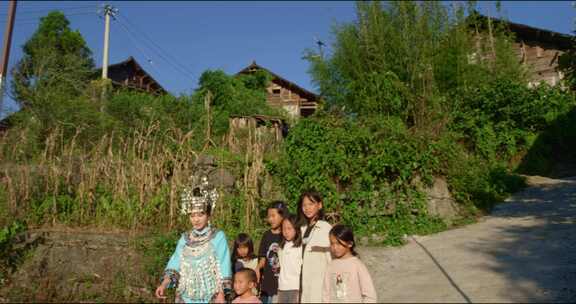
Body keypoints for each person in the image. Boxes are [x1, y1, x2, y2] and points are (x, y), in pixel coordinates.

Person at [155, 176, 231, 303]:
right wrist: (163, 285)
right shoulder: (184, 239)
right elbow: (175, 264)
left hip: (211, 296)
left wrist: (221, 293)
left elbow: (224, 266)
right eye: (192, 215)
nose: (196, 219)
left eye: (200, 214)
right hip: (185, 296)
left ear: (209, 215)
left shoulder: (218, 236)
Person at [322, 224, 377, 303]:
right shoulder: (331, 266)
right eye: (332, 243)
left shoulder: (357, 265)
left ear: (350, 244)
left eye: (338, 243)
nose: (335, 247)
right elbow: (325, 294)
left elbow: (370, 295)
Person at [298, 190, 332, 303]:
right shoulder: (302, 228)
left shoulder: (325, 228)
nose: (307, 208)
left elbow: (331, 258)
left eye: (311, 204)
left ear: (320, 205)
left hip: (319, 282)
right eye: (304, 205)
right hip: (302, 281)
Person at [256, 201, 287, 304]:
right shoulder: (266, 235)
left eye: (273, 216)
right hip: (269, 283)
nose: (270, 219)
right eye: (269, 216)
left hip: (284, 282)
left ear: (282, 215)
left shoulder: (287, 235)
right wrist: (257, 268)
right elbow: (263, 257)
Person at [277, 214, 303, 303]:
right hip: (282, 287)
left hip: (295, 287)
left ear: (296, 229)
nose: (286, 232)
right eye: (284, 229)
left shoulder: (301, 247)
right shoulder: (281, 247)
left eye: (289, 228)